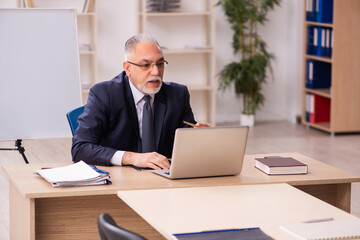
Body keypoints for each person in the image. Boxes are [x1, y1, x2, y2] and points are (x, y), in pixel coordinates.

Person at [71, 34, 209, 170]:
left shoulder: (178, 95)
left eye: (160, 64)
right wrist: (132, 157)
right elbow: (80, 148)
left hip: (163, 178)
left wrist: (199, 138)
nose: (155, 72)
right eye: (145, 65)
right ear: (128, 68)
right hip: (120, 179)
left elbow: (184, 143)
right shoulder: (104, 94)